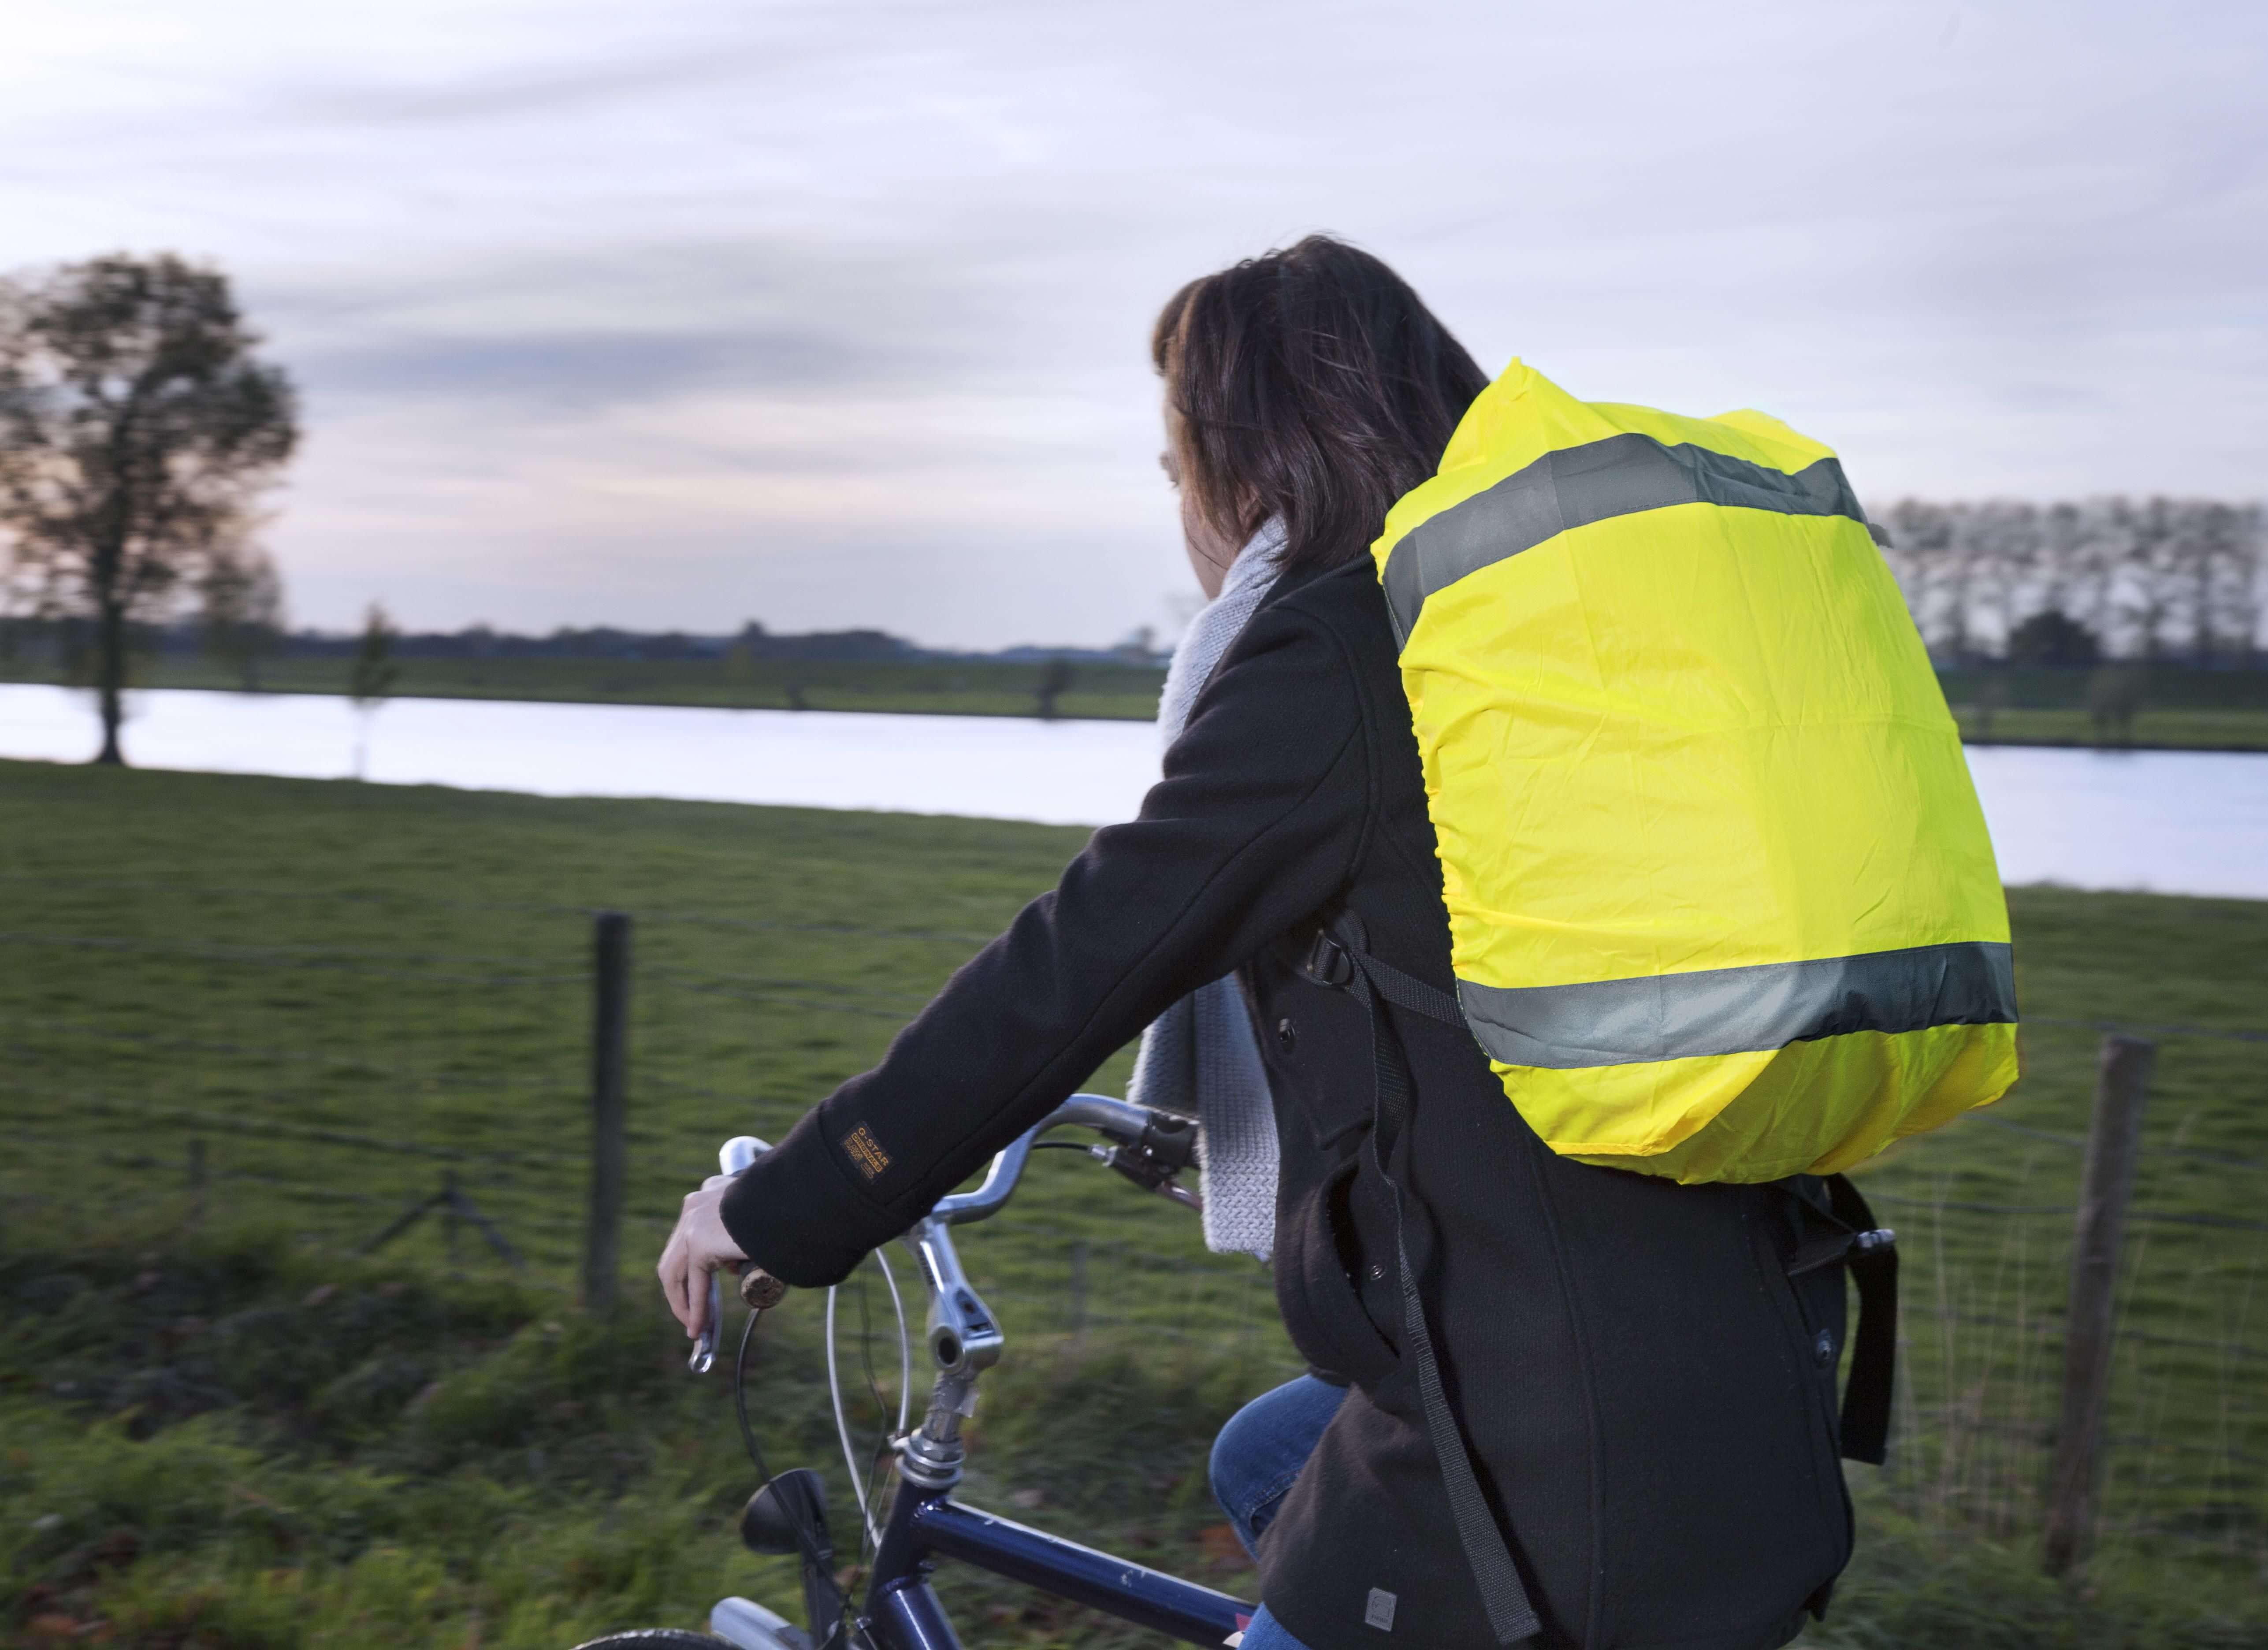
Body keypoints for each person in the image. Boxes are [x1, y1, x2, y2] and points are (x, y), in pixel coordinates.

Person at [658, 236, 1855, 1650]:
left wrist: (796, 1202)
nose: (1181, 513)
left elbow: (1081, 960)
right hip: (1742, 1352)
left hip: (1552, 1452)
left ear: (1251, 460)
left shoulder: (1351, 656)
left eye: (1177, 471)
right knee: (1268, 1461)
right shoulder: (1532, 657)